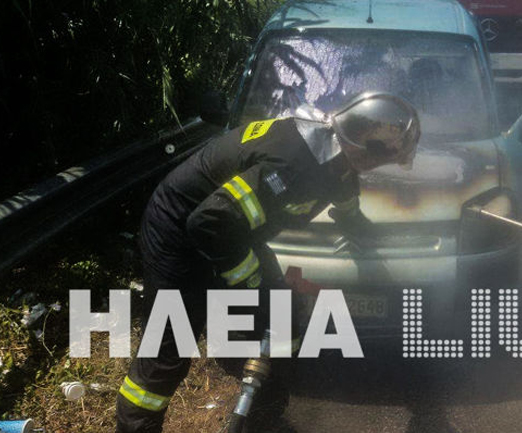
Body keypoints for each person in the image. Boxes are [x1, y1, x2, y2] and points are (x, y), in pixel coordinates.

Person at [116, 92, 421, 433]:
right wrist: (250, 283)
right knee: (169, 349)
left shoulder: (337, 157)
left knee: (281, 316)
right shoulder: (294, 163)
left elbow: (347, 201)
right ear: (361, 144)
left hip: (231, 230)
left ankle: (262, 417)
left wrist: (371, 234)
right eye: (380, 158)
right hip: (178, 230)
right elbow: (209, 221)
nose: (377, 166)